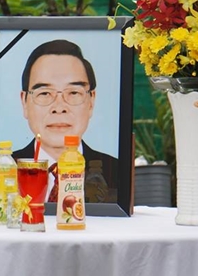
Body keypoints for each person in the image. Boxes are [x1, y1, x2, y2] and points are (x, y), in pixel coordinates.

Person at [12, 39, 118, 202]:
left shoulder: (117, 173)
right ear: (24, 102)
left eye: (74, 93)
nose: (59, 107)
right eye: (45, 93)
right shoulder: (3, 171)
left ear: (91, 102)